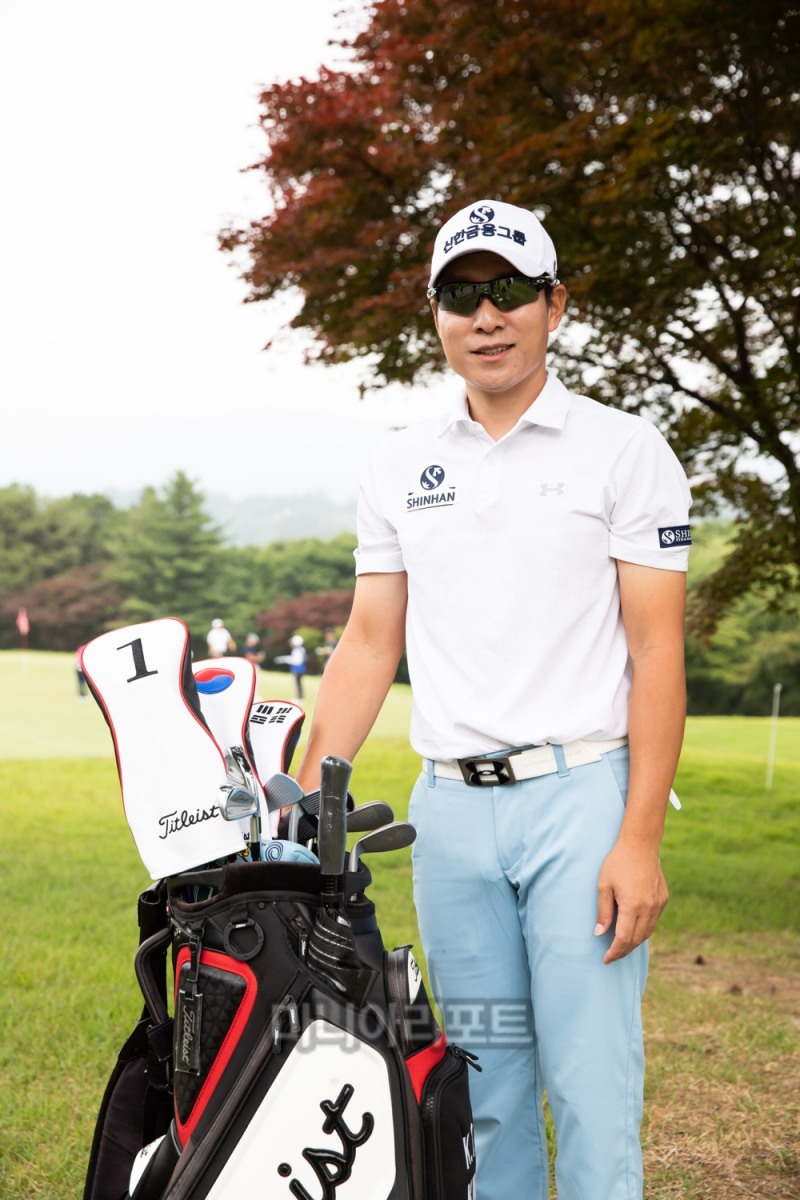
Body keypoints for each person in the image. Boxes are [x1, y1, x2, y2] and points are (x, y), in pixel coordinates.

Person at [295, 198, 691, 1200]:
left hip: (580, 800)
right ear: (436, 314)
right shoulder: (396, 466)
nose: (486, 315)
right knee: (482, 1083)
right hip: (452, 819)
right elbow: (370, 643)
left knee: (590, 1087)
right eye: (461, 294)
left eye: (509, 290)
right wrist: (300, 800)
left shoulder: (623, 449)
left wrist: (636, 837)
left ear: (554, 305)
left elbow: (655, 652)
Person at [276, 634, 307, 699]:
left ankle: (299, 698)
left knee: (298, 684)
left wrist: (284, 659)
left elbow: (296, 661)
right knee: (298, 684)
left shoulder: (298, 650)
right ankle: (299, 697)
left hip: (298, 669)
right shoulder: (300, 649)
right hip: (299, 669)